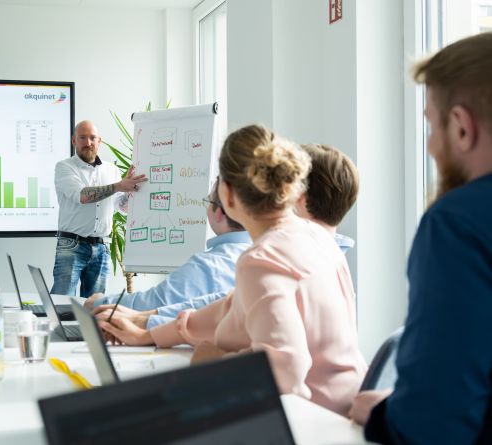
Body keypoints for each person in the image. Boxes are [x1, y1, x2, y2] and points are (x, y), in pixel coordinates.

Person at [100, 124, 367, 416]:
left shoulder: (263, 258)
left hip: (312, 420)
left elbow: (285, 373)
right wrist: (151, 333)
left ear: (227, 195)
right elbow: (231, 309)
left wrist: (215, 358)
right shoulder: (315, 236)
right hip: (341, 408)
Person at [349, 33, 492, 444]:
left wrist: (384, 414)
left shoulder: (458, 224)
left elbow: (433, 425)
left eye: (431, 124)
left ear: (462, 128)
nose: (430, 145)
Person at [95, 142, 360, 330]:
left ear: (296, 199)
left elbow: (232, 314)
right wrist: (150, 321)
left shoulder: (284, 257)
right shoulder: (330, 255)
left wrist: (149, 323)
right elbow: (226, 305)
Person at [83, 179, 251, 325]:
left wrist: (100, 302)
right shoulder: (263, 257)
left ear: (220, 213)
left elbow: (155, 304)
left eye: (209, 201)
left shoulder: (209, 265)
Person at [52, 120, 147, 297]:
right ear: (74, 141)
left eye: (92, 138)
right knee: (62, 303)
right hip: (72, 245)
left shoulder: (111, 169)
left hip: (101, 247)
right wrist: (119, 186)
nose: (88, 142)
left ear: (99, 141)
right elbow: (83, 195)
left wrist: (130, 191)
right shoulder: (64, 167)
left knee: (95, 308)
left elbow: (120, 206)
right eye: (82, 138)